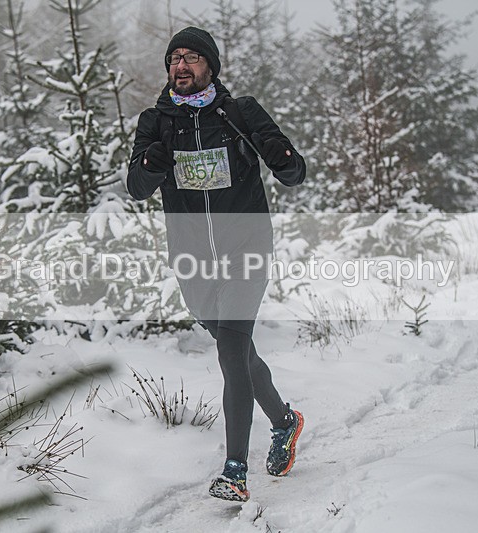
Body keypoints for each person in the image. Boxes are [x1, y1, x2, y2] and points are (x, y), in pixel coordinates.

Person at [126, 26, 306, 502]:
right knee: (240, 351)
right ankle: (285, 421)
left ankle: (234, 470)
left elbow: (294, 173)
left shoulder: (240, 112)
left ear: (210, 65)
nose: (180, 65)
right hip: (192, 258)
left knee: (230, 351)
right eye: (174, 58)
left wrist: (278, 152)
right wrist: (152, 163)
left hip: (245, 247)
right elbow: (136, 187)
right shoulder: (156, 121)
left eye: (190, 57)